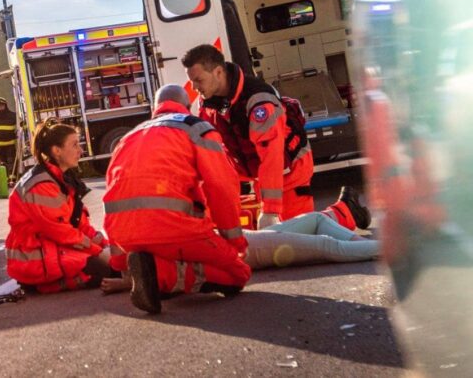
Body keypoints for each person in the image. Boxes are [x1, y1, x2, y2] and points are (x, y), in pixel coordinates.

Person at [182, 44, 370, 230]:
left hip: (288, 171)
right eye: (191, 81)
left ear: (218, 73)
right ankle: (345, 210)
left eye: (198, 80)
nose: (194, 87)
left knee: (300, 235)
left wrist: (270, 210)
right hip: (260, 174)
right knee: (278, 235)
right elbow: (210, 151)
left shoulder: (258, 101)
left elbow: (272, 155)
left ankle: (346, 210)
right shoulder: (209, 104)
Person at [103, 84, 252, 315]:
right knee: (238, 274)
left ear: (155, 108)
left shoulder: (128, 138)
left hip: (127, 238)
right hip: (173, 230)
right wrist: (234, 243)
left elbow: (114, 197)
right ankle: (162, 273)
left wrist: (120, 264)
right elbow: (221, 188)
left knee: (170, 254)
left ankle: (153, 273)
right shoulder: (197, 129)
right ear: (188, 107)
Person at [101, 211, 380, 295]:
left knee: (318, 220)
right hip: (244, 247)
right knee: (326, 246)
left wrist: (124, 282)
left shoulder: (128, 222)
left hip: (243, 241)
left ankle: (360, 244)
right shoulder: (154, 214)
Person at [4, 119, 112, 293]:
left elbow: (79, 224)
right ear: (57, 151)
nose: (81, 150)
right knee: (108, 271)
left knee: (114, 264)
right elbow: (62, 233)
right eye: (75, 145)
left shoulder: (61, 179)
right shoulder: (41, 185)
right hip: (37, 260)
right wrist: (99, 252)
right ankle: (38, 286)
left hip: (51, 251)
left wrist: (106, 245)